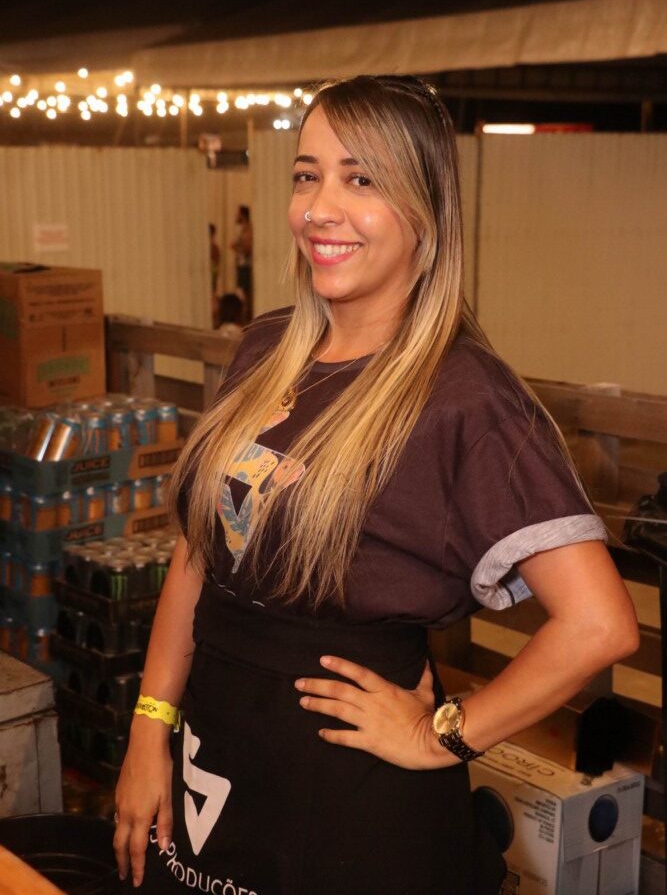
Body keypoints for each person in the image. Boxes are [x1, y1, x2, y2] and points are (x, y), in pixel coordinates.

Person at [113, 75, 639, 894]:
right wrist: (149, 731)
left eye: (361, 179)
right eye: (307, 175)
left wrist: (442, 736)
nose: (320, 208)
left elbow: (598, 626)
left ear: (424, 211)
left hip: (350, 794)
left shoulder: (463, 398)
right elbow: (197, 552)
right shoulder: (265, 349)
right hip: (214, 750)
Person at [230, 205, 253, 318]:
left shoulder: (248, 229)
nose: (236, 215)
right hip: (242, 264)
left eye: (238, 213)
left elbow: (247, 249)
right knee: (243, 292)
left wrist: (237, 246)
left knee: (246, 292)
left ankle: (246, 315)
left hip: (245, 265)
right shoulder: (243, 229)